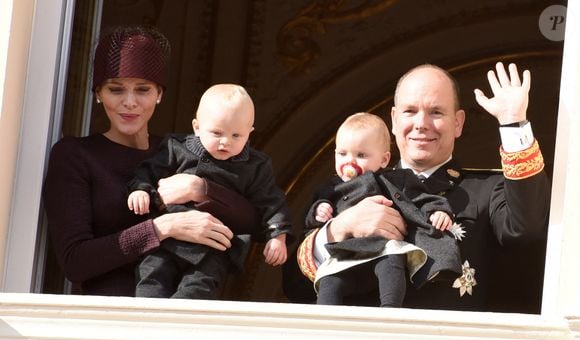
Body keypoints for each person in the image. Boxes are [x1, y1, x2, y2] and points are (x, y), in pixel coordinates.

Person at [297, 62, 550, 312]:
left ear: (458, 123)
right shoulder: (352, 188)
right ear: (394, 120)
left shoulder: (485, 190)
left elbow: (525, 229)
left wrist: (513, 124)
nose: (421, 123)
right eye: (410, 111)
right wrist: (339, 228)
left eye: (436, 112)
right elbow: (292, 284)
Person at [43, 26, 260, 299]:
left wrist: (201, 189)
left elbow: (255, 220)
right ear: (98, 93)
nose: (129, 102)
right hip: (111, 320)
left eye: (143, 89)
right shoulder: (76, 155)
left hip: (186, 316)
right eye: (115, 89)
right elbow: (75, 262)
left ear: (159, 93)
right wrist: (165, 227)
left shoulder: (180, 151)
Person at [127, 83, 292, 299]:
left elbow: (271, 202)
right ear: (196, 127)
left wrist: (277, 236)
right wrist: (140, 191)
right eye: (216, 133)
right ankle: (147, 325)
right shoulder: (175, 148)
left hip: (214, 247)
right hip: (166, 243)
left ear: (250, 132)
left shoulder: (255, 166)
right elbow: (148, 172)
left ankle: (179, 325)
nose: (225, 142)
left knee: (199, 289)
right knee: (152, 279)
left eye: (237, 136)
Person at [302, 112, 462, 307]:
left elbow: (422, 198)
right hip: (346, 253)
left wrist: (438, 210)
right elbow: (311, 219)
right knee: (329, 280)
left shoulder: (396, 179)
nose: (349, 161)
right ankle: (327, 322)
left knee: (392, 263)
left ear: (384, 160)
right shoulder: (331, 188)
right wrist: (320, 210)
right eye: (342, 153)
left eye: (361, 155)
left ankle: (389, 310)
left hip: (382, 247)